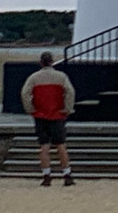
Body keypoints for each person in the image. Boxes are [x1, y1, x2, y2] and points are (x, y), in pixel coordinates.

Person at [20, 51, 76, 186]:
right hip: (57, 114)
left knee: (44, 146)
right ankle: (66, 174)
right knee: (60, 144)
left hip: (40, 115)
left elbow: (25, 93)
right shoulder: (61, 77)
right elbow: (70, 91)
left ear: (41, 62)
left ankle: (46, 175)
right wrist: (67, 108)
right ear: (52, 62)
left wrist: (30, 108)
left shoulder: (34, 78)